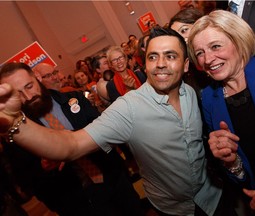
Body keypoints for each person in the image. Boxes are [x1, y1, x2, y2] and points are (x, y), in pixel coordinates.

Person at [0, 27, 228, 216]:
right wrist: (14, 122)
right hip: (173, 209)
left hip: (215, 195)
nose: (160, 64)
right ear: (144, 63)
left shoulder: (194, 92)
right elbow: (71, 146)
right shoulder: (129, 107)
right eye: (152, 56)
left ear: (186, 65)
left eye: (170, 56)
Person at [0, 62, 144, 216]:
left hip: (114, 180)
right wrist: (44, 168)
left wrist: (64, 145)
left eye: (29, 86)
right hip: (77, 202)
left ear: (37, 77)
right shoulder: (16, 131)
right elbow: (25, 179)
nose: (28, 97)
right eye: (17, 93)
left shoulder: (74, 99)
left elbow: (108, 134)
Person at [187, 10, 255, 216]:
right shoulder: (209, 98)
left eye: (215, 46)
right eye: (200, 53)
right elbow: (241, 175)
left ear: (238, 40)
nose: (207, 59)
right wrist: (231, 161)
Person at [169, 7, 212, 98]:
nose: (181, 38)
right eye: (176, 36)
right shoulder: (186, 72)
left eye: (184, 30)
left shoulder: (221, 52)